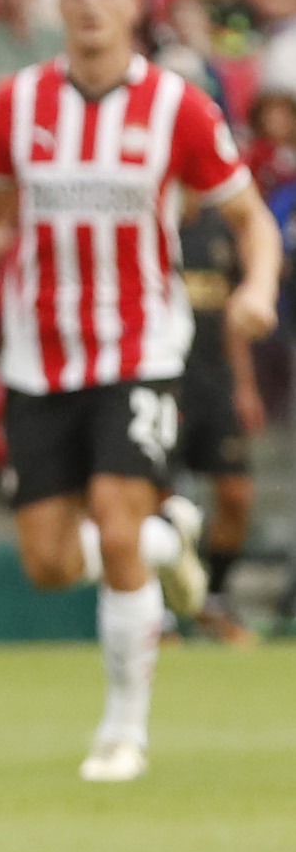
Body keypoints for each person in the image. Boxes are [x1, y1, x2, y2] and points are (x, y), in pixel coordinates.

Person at [0, 0, 281, 784]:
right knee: (49, 562)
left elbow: (251, 220)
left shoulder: (179, 107)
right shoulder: (16, 103)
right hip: (38, 355)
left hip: (137, 348)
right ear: (58, 4)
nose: (89, 2)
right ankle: (170, 539)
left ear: (135, 3)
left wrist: (260, 287)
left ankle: (122, 731)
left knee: (115, 518)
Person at [171, 201, 261, 646]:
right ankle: (162, 617)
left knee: (236, 494)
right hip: (163, 381)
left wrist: (244, 387)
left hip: (215, 386)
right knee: (153, 500)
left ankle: (216, 600)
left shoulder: (220, 229)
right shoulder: (153, 223)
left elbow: (236, 317)